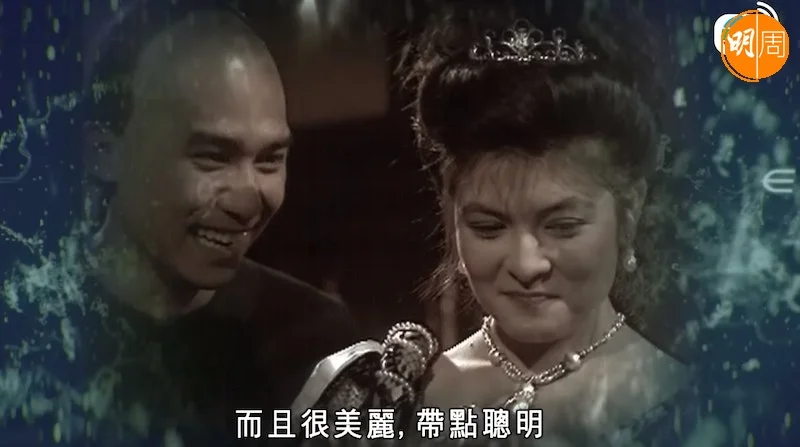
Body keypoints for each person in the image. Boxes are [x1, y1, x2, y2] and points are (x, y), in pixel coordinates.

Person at [2, 4, 360, 446]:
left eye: (270, 159)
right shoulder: (23, 329)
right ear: (103, 152)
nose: (248, 200)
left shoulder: (317, 343)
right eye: (211, 156)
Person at [395, 2, 696, 445]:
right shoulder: (395, 402)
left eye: (563, 226)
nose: (526, 265)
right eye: (488, 227)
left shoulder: (701, 408)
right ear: (450, 214)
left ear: (629, 212)